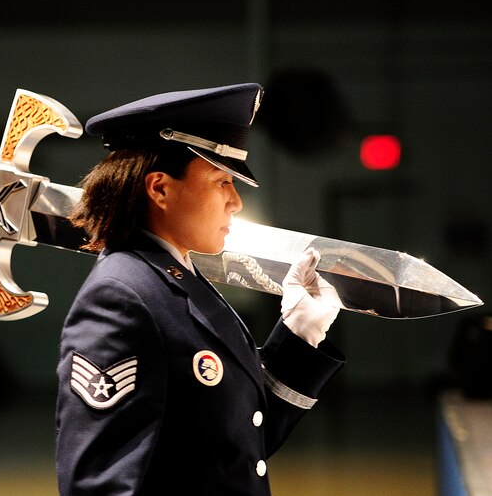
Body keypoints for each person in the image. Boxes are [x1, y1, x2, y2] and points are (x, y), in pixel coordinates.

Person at [55, 83, 346, 495]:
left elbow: (238, 444)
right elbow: (99, 484)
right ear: (159, 188)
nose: (236, 202)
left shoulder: (174, 279)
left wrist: (300, 333)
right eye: (222, 181)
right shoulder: (121, 296)